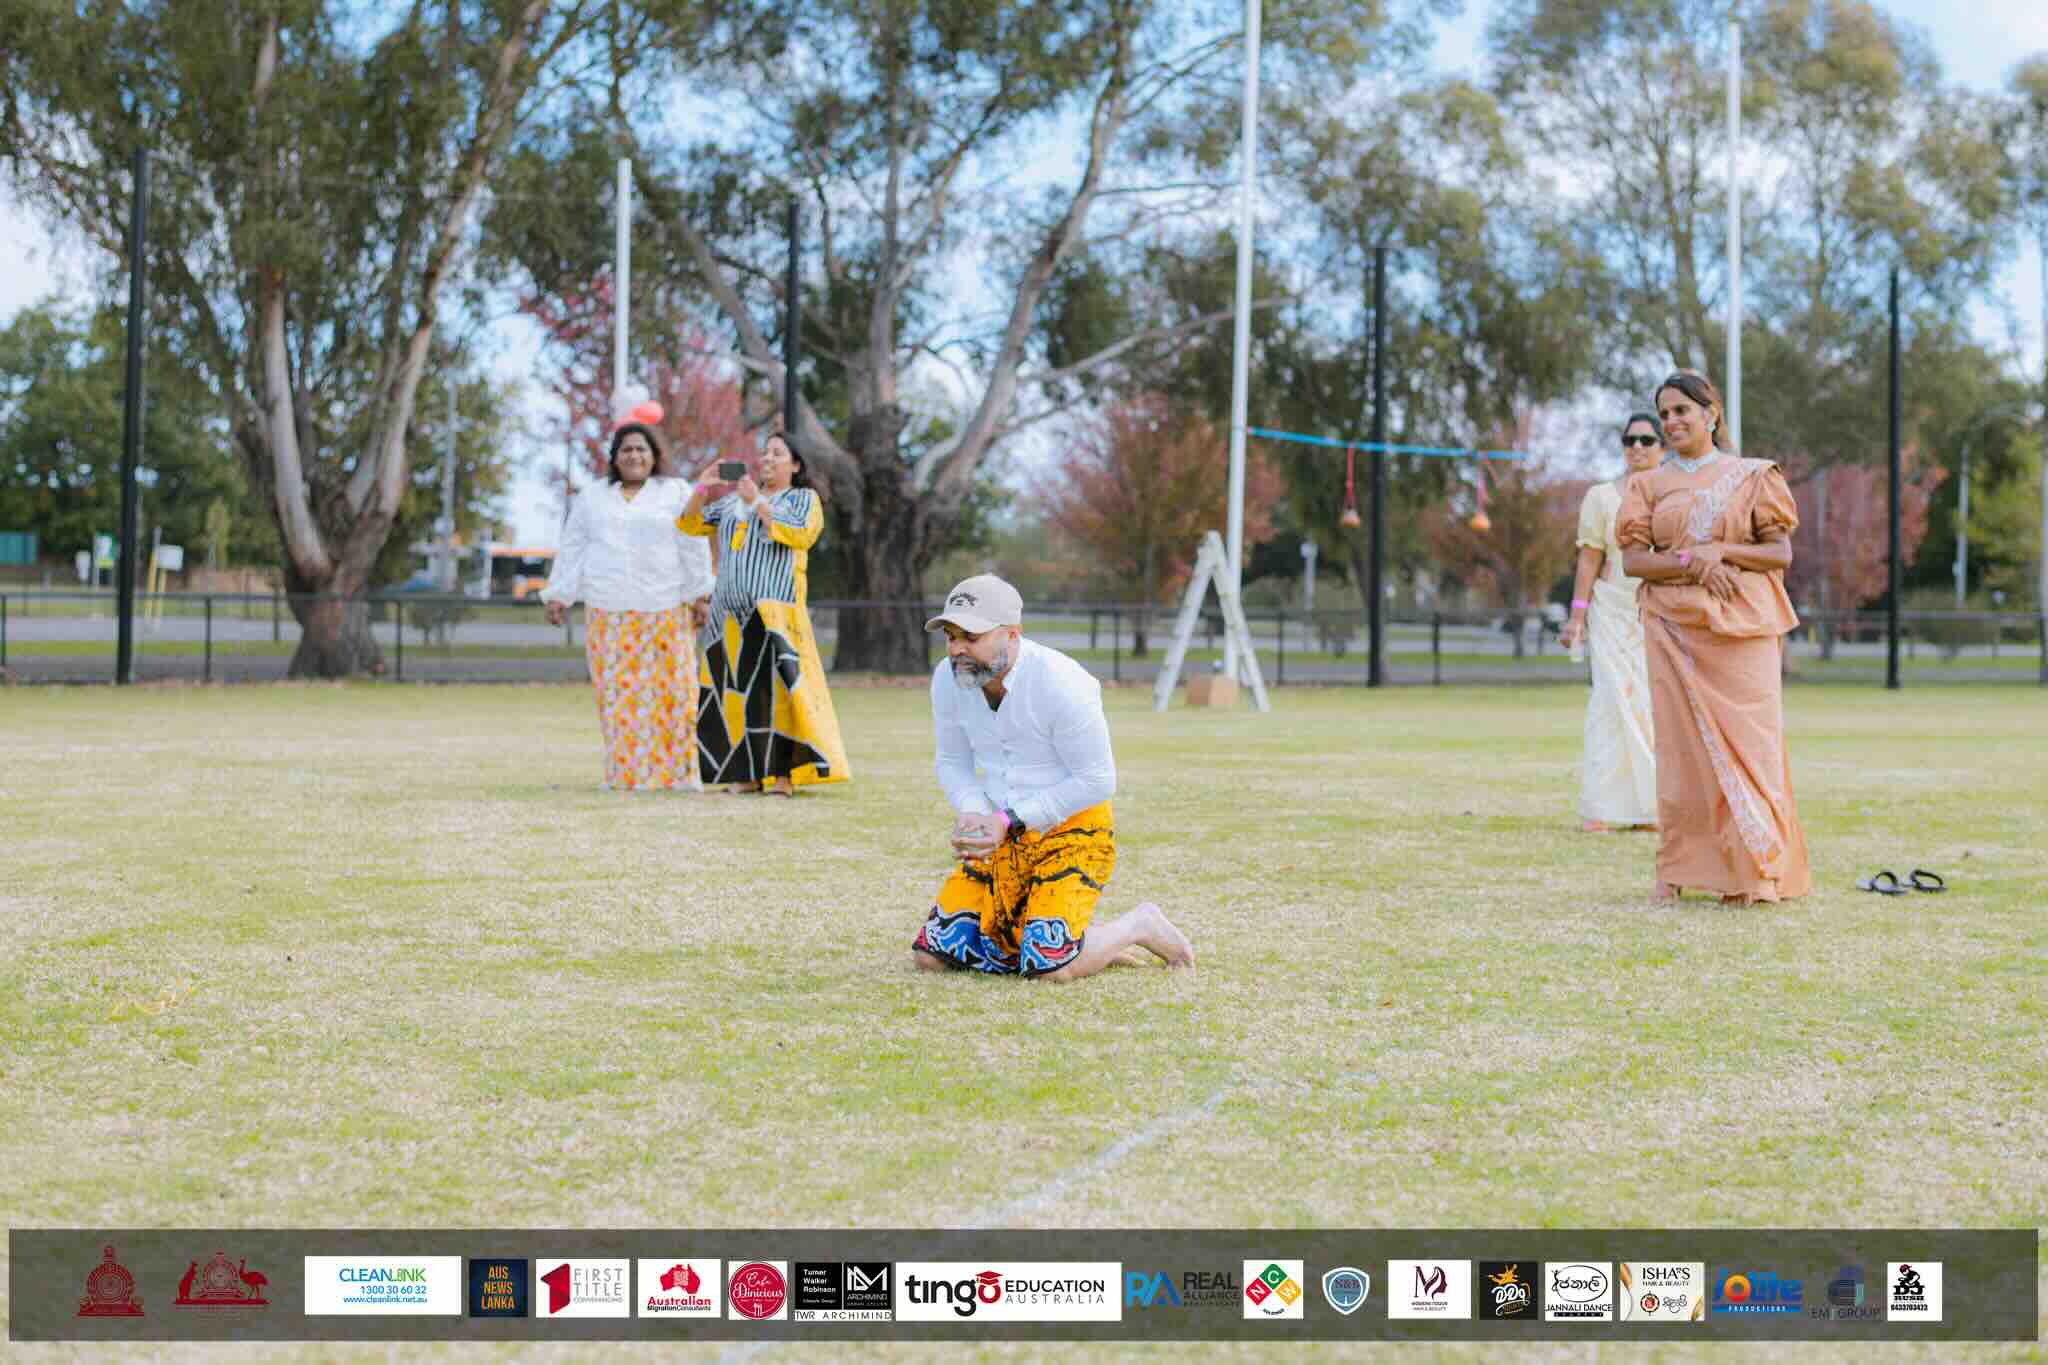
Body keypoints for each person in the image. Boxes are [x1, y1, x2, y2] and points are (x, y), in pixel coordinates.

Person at [910, 574, 1195, 981]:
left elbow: (1097, 779)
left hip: (1071, 829)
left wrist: (1009, 819)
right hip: (1000, 833)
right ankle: (1077, 942)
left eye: (970, 637)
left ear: (1011, 634)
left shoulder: (1064, 682)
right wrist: (974, 812)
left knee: (1047, 968)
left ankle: (1137, 925)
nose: (956, 649)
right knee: (934, 954)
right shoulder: (947, 678)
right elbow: (951, 761)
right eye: (951, 636)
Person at [1617, 370, 1811, 905]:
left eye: (1682, 410)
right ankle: (1678, 870)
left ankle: (1753, 875)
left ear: (1712, 413)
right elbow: (1635, 561)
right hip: (1674, 629)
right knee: (1684, 757)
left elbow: (1778, 554)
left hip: (1743, 629)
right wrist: (1690, 563)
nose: (1672, 421)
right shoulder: (1647, 484)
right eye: (1665, 413)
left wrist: (1719, 553)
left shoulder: (1753, 476)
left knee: (1753, 749)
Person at [540, 423, 714, 791]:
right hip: (609, 610)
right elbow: (573, 547)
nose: (634, 456)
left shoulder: (675, 492)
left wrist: (701, 594)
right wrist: (559, 594)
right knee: (619, 696)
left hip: (667, 607)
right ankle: (626, 776)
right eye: (626, 450)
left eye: (641, 449)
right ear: (615, 458)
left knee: (677, 695)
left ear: (654, 456)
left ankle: (680, 777)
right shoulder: (592, 497)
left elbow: (692, 542)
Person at [678, 429, 849, 794]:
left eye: (777, 453)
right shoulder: (730, 504)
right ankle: (747, 775)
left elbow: (800, 534)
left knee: (781, 694)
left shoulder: (802, 499)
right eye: (764, 453)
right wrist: (703, 487)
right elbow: (689, 524)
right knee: (738, 695)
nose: (767, 459)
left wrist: (758, 503)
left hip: (776, 615)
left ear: (796, 464)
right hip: (729, 617)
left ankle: (783, 776)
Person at [1559, 413, 1665, 833]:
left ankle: (1648, 810)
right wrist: (1577, 617)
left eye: (1646, 440)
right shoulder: (1601, 497)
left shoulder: (1673, 495)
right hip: (1611, 609)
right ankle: (1601, 807)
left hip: (1655, 610)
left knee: (1651, 707)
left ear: (1662, 446)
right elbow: (1590, 558)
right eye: (1629, 440)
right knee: (1608, 702)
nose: (1637, 447)